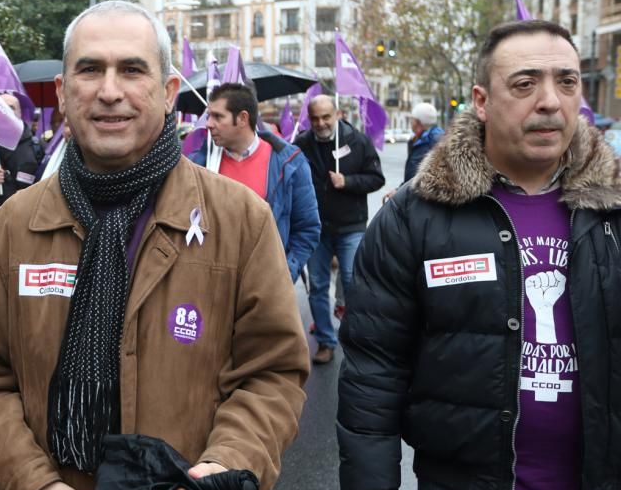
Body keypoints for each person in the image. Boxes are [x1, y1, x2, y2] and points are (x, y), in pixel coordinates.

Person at [0, 0, 309, 490]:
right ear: (63, 90)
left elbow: (271, 373)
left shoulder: (239, 219)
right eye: (90, 70)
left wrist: (228, 465)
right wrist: (29, 485)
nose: (109, 91)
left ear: (169, 92)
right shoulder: (13, 225)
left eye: (131, 70)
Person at [337, 19, 621, 490]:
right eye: (526, 82)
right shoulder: (418, 213)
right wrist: (372, 487)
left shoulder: (612, 206)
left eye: (566, 81)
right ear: (483, 102)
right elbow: (374, 360)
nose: (549, 99)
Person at [188, 82, 320, 283]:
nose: (208, 124)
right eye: (209, 116)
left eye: (217, 116)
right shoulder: (199, 164)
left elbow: (307, 228)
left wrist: (285, 274)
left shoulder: (289, 163)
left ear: (242, 118)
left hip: (265, 286)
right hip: (210, 285)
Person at [294, 94, 384, 364]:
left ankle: (356, 339)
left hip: (350, 226)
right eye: (315, 118)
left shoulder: (357, 141)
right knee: (318, 286)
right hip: (315, 229)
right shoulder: (302, 144)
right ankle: (325, 341)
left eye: (325, 117)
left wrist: (349, 181)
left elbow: (376, 178)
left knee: (352, 282)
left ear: (337, 115)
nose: (320, 123)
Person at [0, 92, 40, 219]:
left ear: (20, 113)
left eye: (11, 107)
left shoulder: (37, 147)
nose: (6, 111)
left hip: (29, 221)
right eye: (1, 107)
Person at [402, 102, 444, 183]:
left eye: (412, 119)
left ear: (419, 122)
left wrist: (400, 193)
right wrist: (399, 190)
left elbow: (415, 180)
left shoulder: (430, 142)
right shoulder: (423, 139)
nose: (411, 122)